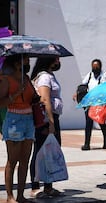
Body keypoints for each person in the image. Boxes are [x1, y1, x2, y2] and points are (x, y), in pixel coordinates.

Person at [0, 54, 35, 203]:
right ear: (16, 62)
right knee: (12, 161)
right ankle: (9, 196)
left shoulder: (26, 78)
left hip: (29, 119)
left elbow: (31, 97)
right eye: (26, 59)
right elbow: (0, 103)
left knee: (25, 160)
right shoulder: (7, 80)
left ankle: (20, 195)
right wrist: (16, 94)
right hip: (13, 119)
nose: (28, 62)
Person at [29, 56, 64, 197]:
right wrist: (50, 122)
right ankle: (35, 186)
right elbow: (45, 100)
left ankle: (48, 186)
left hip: (53, 117)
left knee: (50, 152)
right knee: (39, 152)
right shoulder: (44, 77)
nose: (58, 62)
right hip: (46, 118)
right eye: (56, 59)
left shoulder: (50, 75)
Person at [80, 59, 106, 150]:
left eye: (96, 66)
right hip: (89, 103)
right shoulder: (89, 75)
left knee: (101, 123)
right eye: (93, 66)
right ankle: (87, 144)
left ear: (100, 67)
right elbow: (83, 85)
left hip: (99, 104)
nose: (95, 68)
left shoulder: (104, 76)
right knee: (88, 124)